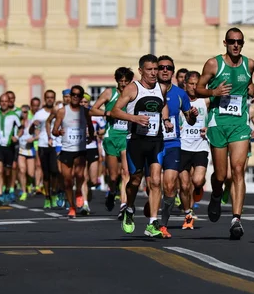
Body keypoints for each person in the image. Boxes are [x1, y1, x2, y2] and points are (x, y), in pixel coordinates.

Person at [195, 27, 254, 240]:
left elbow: (248, 85)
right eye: (232, 41)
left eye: (239, 42)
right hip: (217, 123)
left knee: (239, 169)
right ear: (225, 42)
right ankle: (216, 194)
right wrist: (213, 92)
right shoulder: (214, 64)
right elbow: (198, 88)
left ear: (242, 43)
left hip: (239, 123)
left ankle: (236, 219)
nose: (236, 45)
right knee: (221, 175)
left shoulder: (248, 64)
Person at [110, 54, 173, 237]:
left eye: (156, 69)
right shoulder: (132, 88)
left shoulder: (162, 88)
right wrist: (134, 118)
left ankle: (153, 222)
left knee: (155, 180)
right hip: (136, 141)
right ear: (140, 71)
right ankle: (129, 208)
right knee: (135, 181)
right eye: (150, 70)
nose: (154, 73)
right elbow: (114, 111)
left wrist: (166, 120)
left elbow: (162, 106)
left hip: (156, 140)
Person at [155, 56, 198, 238]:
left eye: (169, 68)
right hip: (152, 143)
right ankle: (143, 215)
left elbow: (189, 118)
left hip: (173, 143)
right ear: (156, 70)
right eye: (161, 67)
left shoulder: (180, 94)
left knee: (170, 185)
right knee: (154, 183)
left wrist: (193, 116)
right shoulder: (146, 90)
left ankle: (163, 224)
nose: (165, 70)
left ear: (173, 71)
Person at [89, 67, 134, 218]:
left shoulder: (133, 94)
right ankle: (112, 191)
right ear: (116, 81)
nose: (123, 84)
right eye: (121, 81)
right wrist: (107, 113)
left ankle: (123, 205)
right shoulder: (110, 93)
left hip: (126, 136)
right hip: (111, 137)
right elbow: (92, 110)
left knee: (126, 172)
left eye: (126, 81)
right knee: (113, 176)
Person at [52, 85, 95, 218]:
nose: (75, 97)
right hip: (66, 149)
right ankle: (71, 207)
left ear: (81, 97)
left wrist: (91, 137)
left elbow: (91, 127)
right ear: (70, 96)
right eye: (73, 95)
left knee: (80, 175)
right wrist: (59, 132)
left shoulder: (85, 111)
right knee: (67, 180)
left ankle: (78, 194)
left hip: (80, 149)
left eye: (78, 95)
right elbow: (54, 130)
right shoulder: (62, 112)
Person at [179, 71, 210, 230]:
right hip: (182, 146)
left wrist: (208, 127)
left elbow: (215, 116)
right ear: (184, 84)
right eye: (190, 84)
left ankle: (199, 188)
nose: (193, 87)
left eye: (195, 84)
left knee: (197, 180)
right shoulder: (179, 100)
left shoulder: (205, 101)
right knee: (184, 186)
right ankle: (188, 214)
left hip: (200, 146)